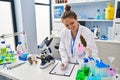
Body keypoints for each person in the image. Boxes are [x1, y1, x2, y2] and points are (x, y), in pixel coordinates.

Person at [59, 5, 98, 70]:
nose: (70, 27)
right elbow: (62, 49)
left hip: (83, 65)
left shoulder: (86, 32)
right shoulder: (64, 33)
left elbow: (93, 52)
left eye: (72, 23)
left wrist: (85, 64)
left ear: (76, 19)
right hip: (69, 65)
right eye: (67, 25)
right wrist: (64, 61)